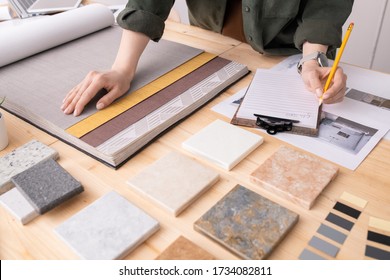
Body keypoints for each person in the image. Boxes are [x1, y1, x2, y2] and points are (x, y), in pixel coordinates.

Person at [61, 0, 354, 116]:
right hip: (211, 45)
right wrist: (122, 69)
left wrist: (312, 60)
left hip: (283, 54)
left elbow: (325, 6)